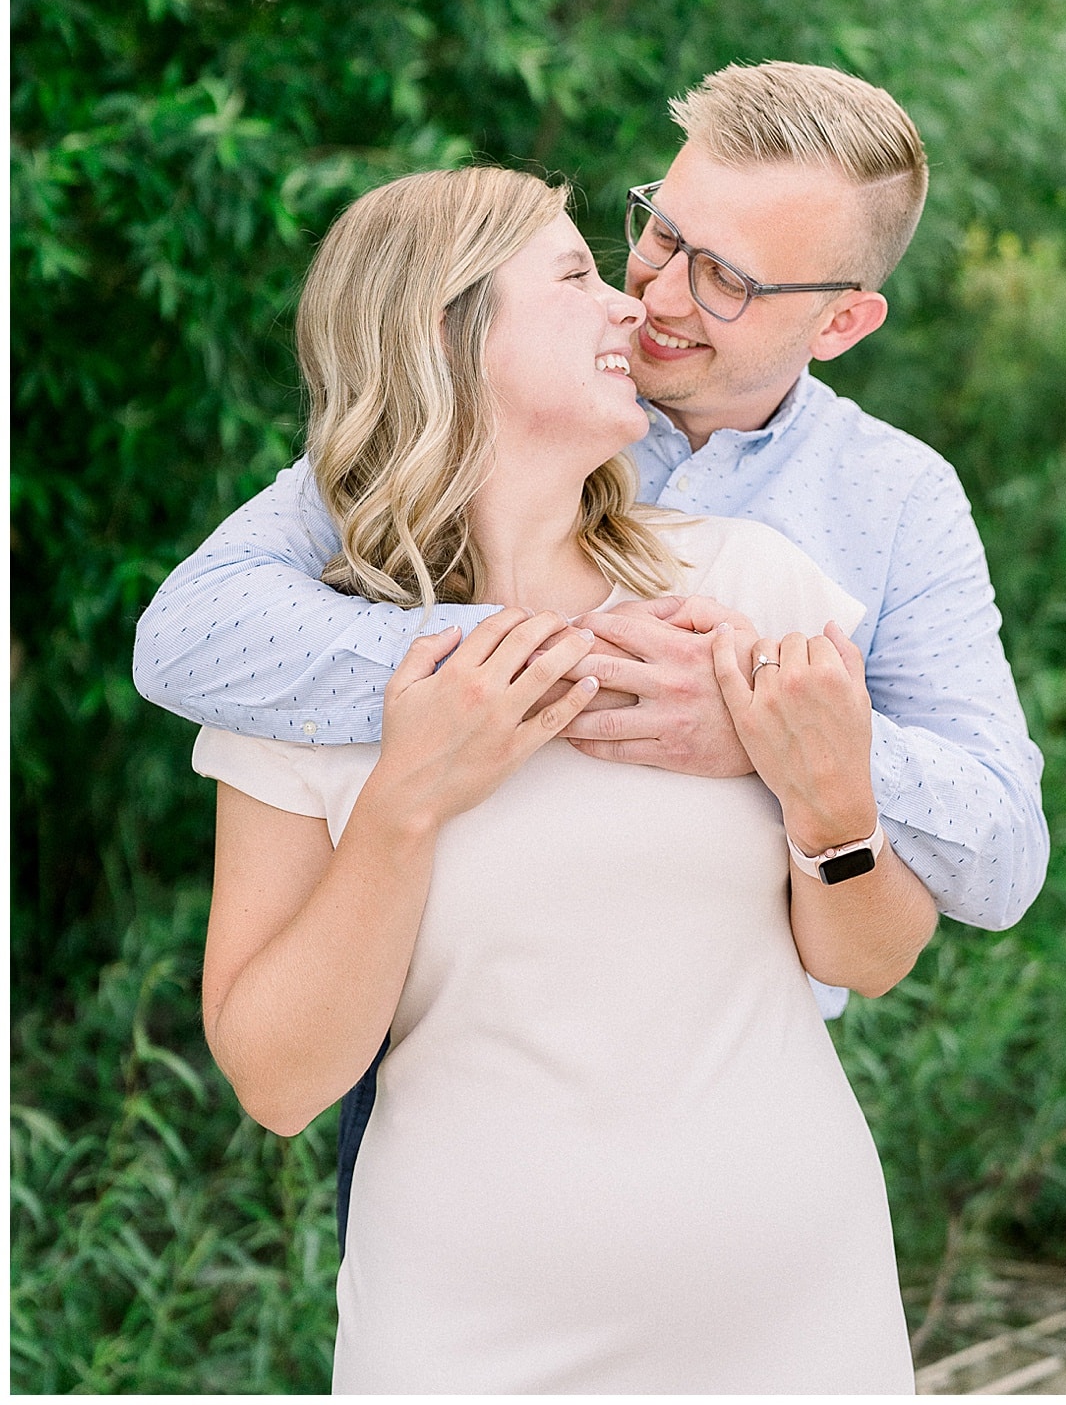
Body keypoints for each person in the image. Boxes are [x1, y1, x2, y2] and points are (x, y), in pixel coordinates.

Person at [189, 165, 932, 1392]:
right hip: (468, 1341)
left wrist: (835, 806)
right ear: (445, 328)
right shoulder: (301, 668)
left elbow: (874, 956)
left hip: (804, 1322)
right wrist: (406, 800)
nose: (632, 308)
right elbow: (275, 1080)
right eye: (579, 274)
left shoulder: (752, 587)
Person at [134, 61, 1048, 969]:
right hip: (449, 1013)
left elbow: (1004, 852)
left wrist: (770, 732)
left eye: (726, 278)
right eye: (661, 232)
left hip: (746, 1036)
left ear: (840, 324)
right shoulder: (503, 402)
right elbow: (187, 636)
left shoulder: (898, 497)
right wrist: (553, 664)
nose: (656, 294)